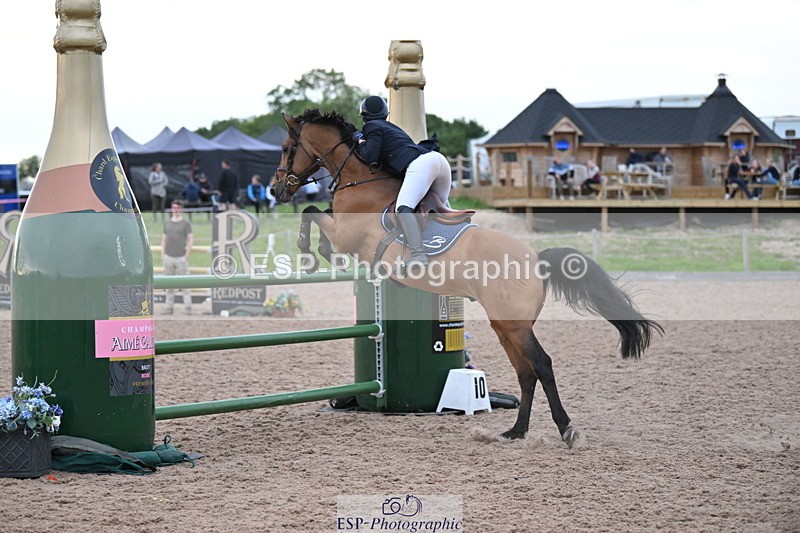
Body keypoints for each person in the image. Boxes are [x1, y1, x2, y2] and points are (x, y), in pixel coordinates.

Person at [354, 95, 452, 269]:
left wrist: (360, 140)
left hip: (422, 165)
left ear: (364, 116)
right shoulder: (391, 127)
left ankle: (418, 254)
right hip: (438, 160)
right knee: (442, 208)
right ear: (386, 114)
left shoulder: (371, 126)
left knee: (403, 207)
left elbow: (370, 156)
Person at [161, 200, 193, 315]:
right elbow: (164, 239)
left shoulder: (185, 223)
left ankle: (188, 307)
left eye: (178, 208)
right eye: (174, 207)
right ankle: (169, 307)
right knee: (169, 285)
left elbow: (190, 239)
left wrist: (186, 256)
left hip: (181, 257)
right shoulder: (167, 223)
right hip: (168, 257)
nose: (176, 210)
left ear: (181, 209)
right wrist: (163, 255)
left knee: (185, 284)